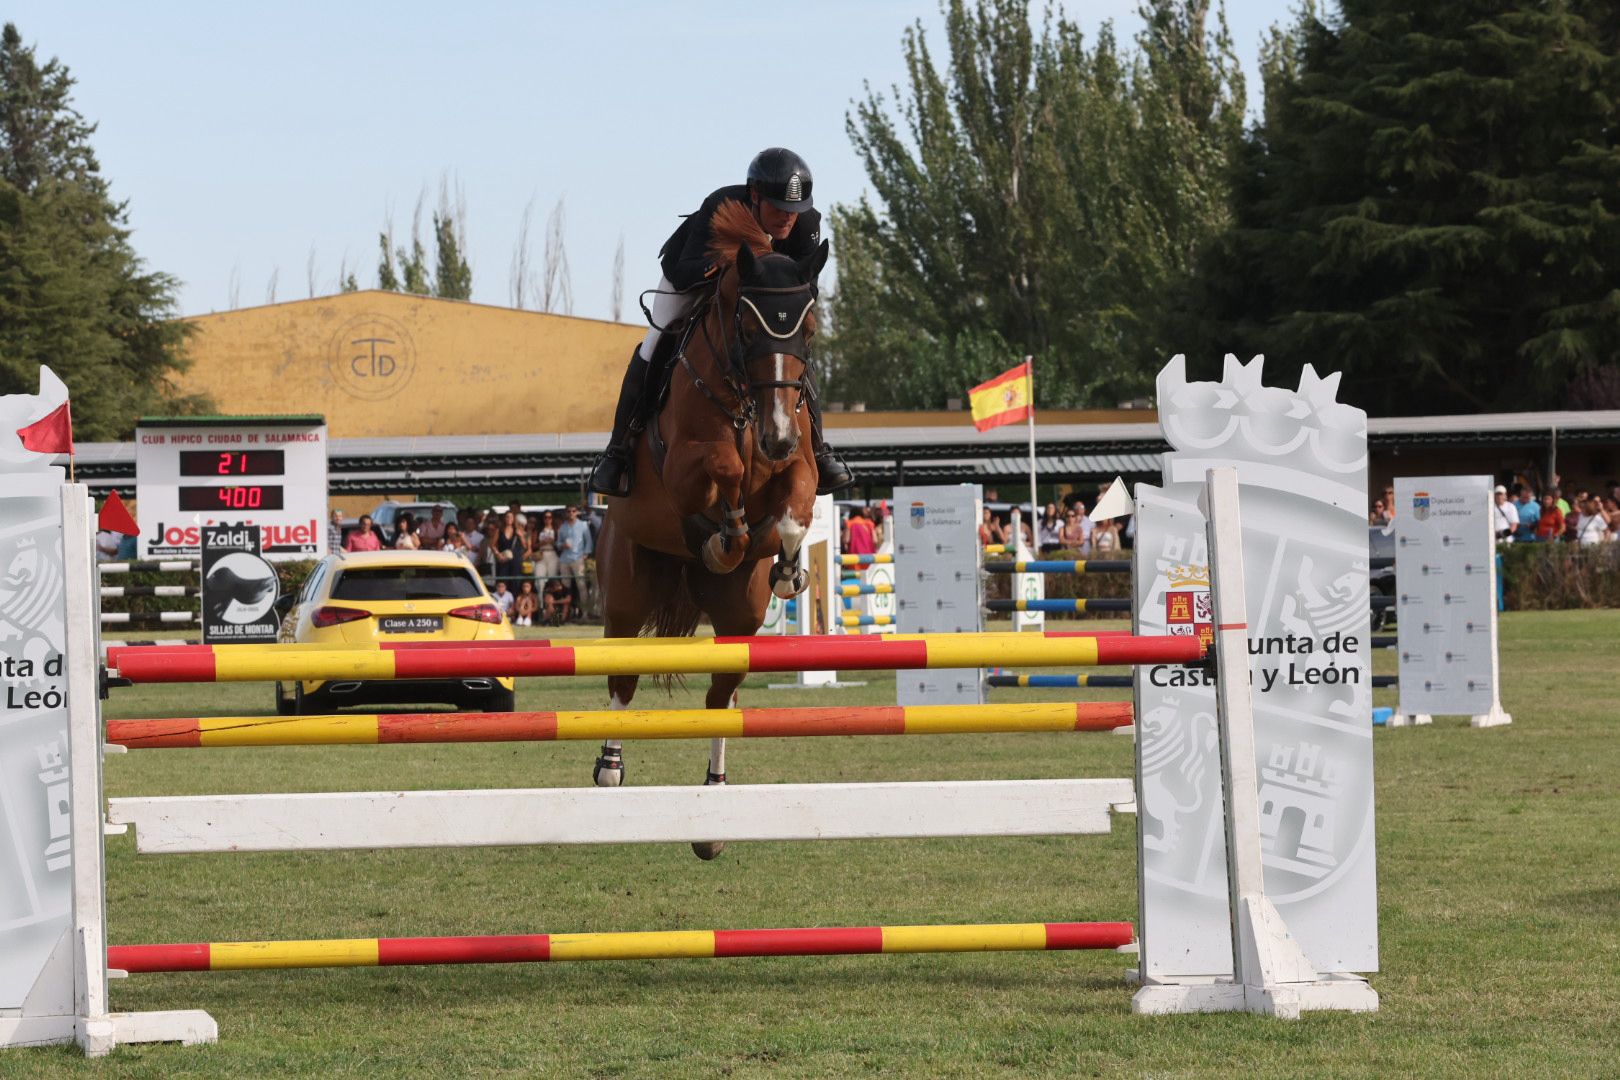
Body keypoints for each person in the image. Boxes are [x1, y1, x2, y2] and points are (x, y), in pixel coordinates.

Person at [588, 147, 851, 499]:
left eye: (795, 210)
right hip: (693, 284)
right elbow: (682, 273)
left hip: (759, 306)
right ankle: (618, 451)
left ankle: (819, 448)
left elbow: (808, 291)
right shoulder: (721, 206)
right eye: (778, 207)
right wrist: (724, 268)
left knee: (794, 352)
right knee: (654, 347)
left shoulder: (808, 224)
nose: (788, 218)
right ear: (755, 196)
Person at [556, 505, 594, 617]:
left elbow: (589, 542)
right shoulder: (562, 527)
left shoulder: (583, 525)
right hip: (565, 559)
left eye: (573, 511)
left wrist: (586, 554)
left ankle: (585, 613)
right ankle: (565, 614)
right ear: (566, 513)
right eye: (569, 511)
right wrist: (562, 545)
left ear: (577, 512)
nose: (571, 513)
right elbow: (558, 543)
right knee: (565, 586)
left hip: (578, 558)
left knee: (581, 585)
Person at [490, 512, 525, 589]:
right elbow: (492, 545)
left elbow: (525, 546)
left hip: (515, 559)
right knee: (502, 581)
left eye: (511, 517)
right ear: (504, 518)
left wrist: (521, 536)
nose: (509, 519)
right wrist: (497, 554)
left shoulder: (518, 530)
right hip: (503, 558)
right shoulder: (499, 530)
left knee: (515, 582)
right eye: (507, 517)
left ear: (514, 519)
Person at [530, 510, 560, 584]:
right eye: (545, 517)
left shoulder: (556, 530)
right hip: (541, 554)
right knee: (539, 577)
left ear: (552, 519)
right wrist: (541, 543)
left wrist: (553, 542)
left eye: (549, 517)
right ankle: (540, 594)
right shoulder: (538, 530)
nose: (547, 519)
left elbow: (560, 544)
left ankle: (550, 594)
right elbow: (533, 545)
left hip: (552, 554)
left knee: (552, 578)